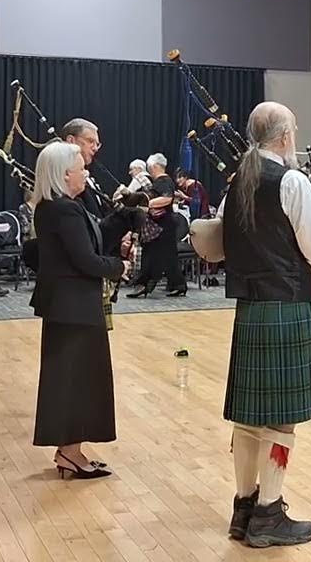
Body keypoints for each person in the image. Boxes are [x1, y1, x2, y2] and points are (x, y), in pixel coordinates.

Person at [218, 101, 311, 548]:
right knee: (282, 421)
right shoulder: (291, 180)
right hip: (286, 303)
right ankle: (269, 513)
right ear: (284, 137)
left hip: (250, 305)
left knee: (248, 420)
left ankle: (244, 508)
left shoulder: (237, 181)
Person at [28, 141, 141, 480]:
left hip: (69, 305)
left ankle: (70, 450)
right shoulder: (63, 210)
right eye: (81, 169)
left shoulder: (60, 206)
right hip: (73, 306)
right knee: (75, 381)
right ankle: (70, 453)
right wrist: (118, 267)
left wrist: (123, 216)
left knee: (73, 379)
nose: (86, 172)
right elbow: (86, 259)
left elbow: (92, 237)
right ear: (65, 174)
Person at [128, 153, 189, 297]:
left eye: (149, 167)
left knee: (152, 254)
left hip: (161, 226)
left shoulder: (163, 181)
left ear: (154, 166)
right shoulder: (163, 181)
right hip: (163, 225)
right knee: (168, 256)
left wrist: (146, 204)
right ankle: (177, 284)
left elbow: (167, 198)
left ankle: (144, 284)